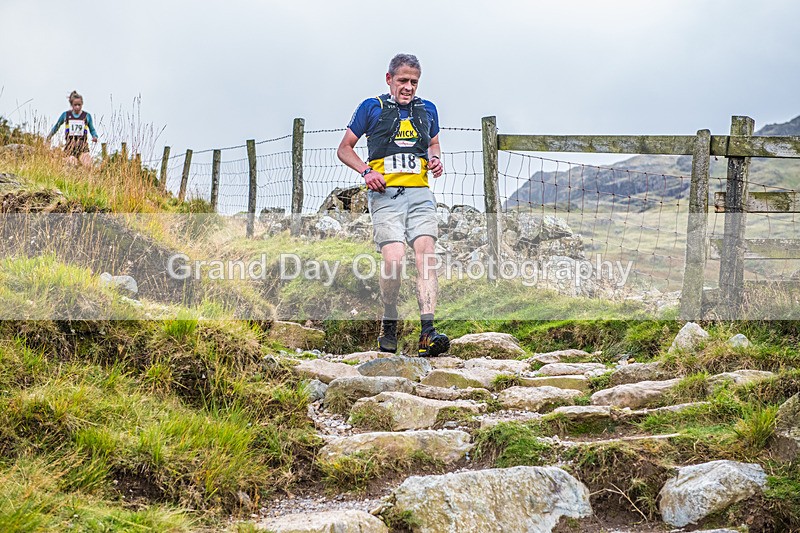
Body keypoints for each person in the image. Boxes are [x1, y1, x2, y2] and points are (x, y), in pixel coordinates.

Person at [337, 53, 450, 357]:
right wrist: (366, 172)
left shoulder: (428, 110)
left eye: (414, 82)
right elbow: (344, 149)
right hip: (386, 195)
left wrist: (435, 158)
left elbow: (434, 142)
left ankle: (428, 331)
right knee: (394, 259)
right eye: (403, 80)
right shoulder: (371, 107)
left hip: (420, 194)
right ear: (389, 79)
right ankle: (389, 320)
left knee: (426, 254)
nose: (408, 87)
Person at [47, 90, 98, 167]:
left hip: (83, 146)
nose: (77, 107)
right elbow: (56, 127)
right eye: (75, 105)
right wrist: (49, 137)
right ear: (71, 105)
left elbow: (92, 129)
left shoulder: (87, 116)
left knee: (88, 165)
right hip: (70, 147)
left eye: (79, 105)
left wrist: (95, 136)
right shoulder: (65, 115)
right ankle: (61, 162)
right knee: (72, 164)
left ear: (82, 104)